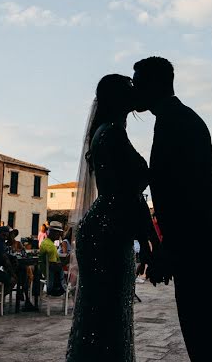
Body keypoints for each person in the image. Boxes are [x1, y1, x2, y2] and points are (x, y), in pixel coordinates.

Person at [133, 57, 212, 361]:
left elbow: (186, 194)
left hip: (198, 245)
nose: (135, 89)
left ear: (154, 84)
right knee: (204, 334)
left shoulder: (175, 122)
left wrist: (169, 249)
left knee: (202, 335)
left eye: (138, 82)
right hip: (202, 243)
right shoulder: (178, 118)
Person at [66, 74, 159, 361]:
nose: (135, 92)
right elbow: (128, 193)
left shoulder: (106, 132)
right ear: (119, 99)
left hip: (105, 228)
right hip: (108, 231)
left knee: (103, 311)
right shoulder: (113, 134)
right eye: (129, 89)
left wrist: (147, 238)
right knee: (108, 311)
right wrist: (150, 240)